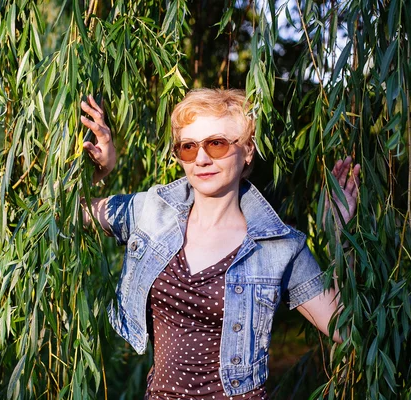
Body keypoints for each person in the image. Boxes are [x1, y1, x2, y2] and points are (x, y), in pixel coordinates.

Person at [78, 89, 360, 399]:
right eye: (188, 147)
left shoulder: (278, 246)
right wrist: (97, 173)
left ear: (248, 150)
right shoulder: (150, 211)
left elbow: (341, 328)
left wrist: (340, 235)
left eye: (216, 144)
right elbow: (61, 216)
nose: (201, 159)